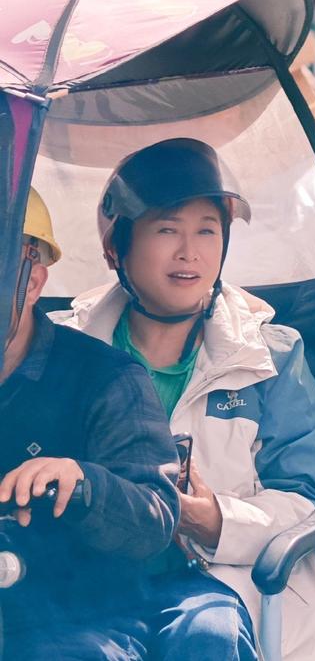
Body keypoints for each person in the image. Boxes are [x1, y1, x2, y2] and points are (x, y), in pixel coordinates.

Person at [60, 138, 315, 660]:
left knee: (205, 639)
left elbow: (303, 500)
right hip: (92, 581)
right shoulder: (67, 350)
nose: (190, 252)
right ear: (116, 247)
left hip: (223, 586)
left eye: (207, 231)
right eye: (167, 229)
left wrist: (213, 518)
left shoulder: (272, 357)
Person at [1, 189, 182, 660]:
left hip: (83, 624)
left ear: (33, 280)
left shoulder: (105, 378)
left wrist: (83, 485)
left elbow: (154, 519)